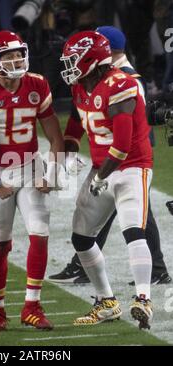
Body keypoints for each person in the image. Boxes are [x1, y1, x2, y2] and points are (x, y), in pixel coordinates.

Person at [49, 26, 172, 286]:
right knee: (128, 212)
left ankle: (87, 265)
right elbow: (77, 116)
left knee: (127, 212)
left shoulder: (124, 79)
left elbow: (133, 124)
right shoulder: (89, 78)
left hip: (127, 152)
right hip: (107, 153)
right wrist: (69, 152)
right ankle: (154, 268)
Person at [0, 30, 64, 331]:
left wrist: (53, 173)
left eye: (19, 53)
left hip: (30, 166)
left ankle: (32, 305)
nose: (16, 59)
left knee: (40, 233)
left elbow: (54, 135)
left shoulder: (37, 84)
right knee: (0, 244)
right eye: (8, 55)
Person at [59, 30, 153, 330]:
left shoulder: (120, 84)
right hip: (102, 167)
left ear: (91, 59)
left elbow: (123, 146)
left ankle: (143, 299)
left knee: (133, 231)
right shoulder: (80, 86)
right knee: (81, 237)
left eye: (74, 59)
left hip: (131, 167)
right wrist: (70, 150)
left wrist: (100, 176)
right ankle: (107, 301)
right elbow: (75, 125)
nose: (69, 65)